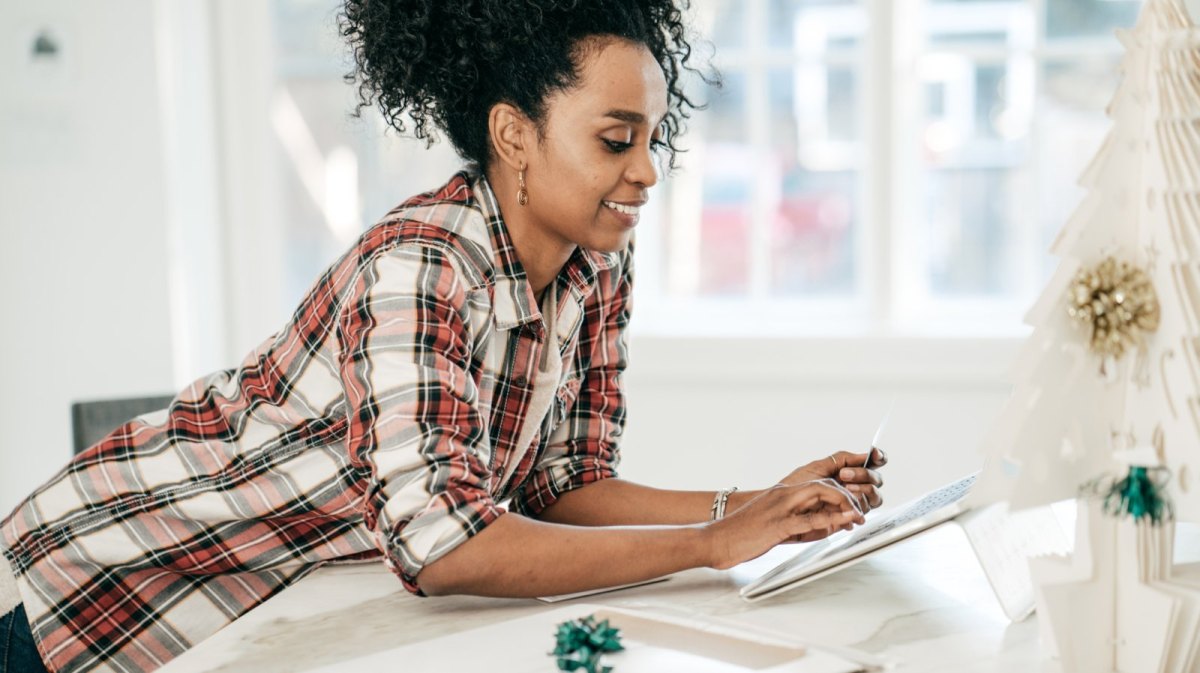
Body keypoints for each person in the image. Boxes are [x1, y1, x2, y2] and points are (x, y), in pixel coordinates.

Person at [0, 1, 886, 671]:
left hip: (269, 608)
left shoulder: (595, 264)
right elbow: (445, 546)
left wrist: (757, 505)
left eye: (655, 137)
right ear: (514, 135)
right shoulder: (420, 269)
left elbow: (562, 485)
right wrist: (710, 541)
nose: (648, 170)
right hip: (97, 585)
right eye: (618, 138)